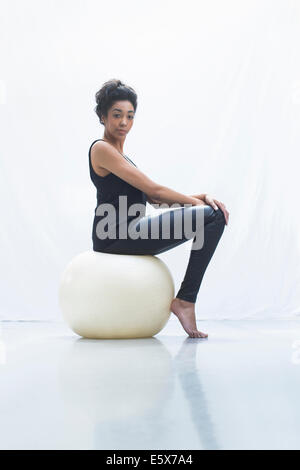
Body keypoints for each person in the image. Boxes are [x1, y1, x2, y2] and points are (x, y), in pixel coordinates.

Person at [89, 78, 229, 338]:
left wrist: (201, 196)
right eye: (117, 115)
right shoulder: (101, 149)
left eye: (130, 116)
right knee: (214, 216)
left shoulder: (122, 158)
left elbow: (153, 200)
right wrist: (200, 204)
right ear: (102, 116)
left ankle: (186, 300)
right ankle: (185, 301)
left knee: (212, 215)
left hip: (129, 231)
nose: (123, 123)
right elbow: (155, 191)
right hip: (116, 235)